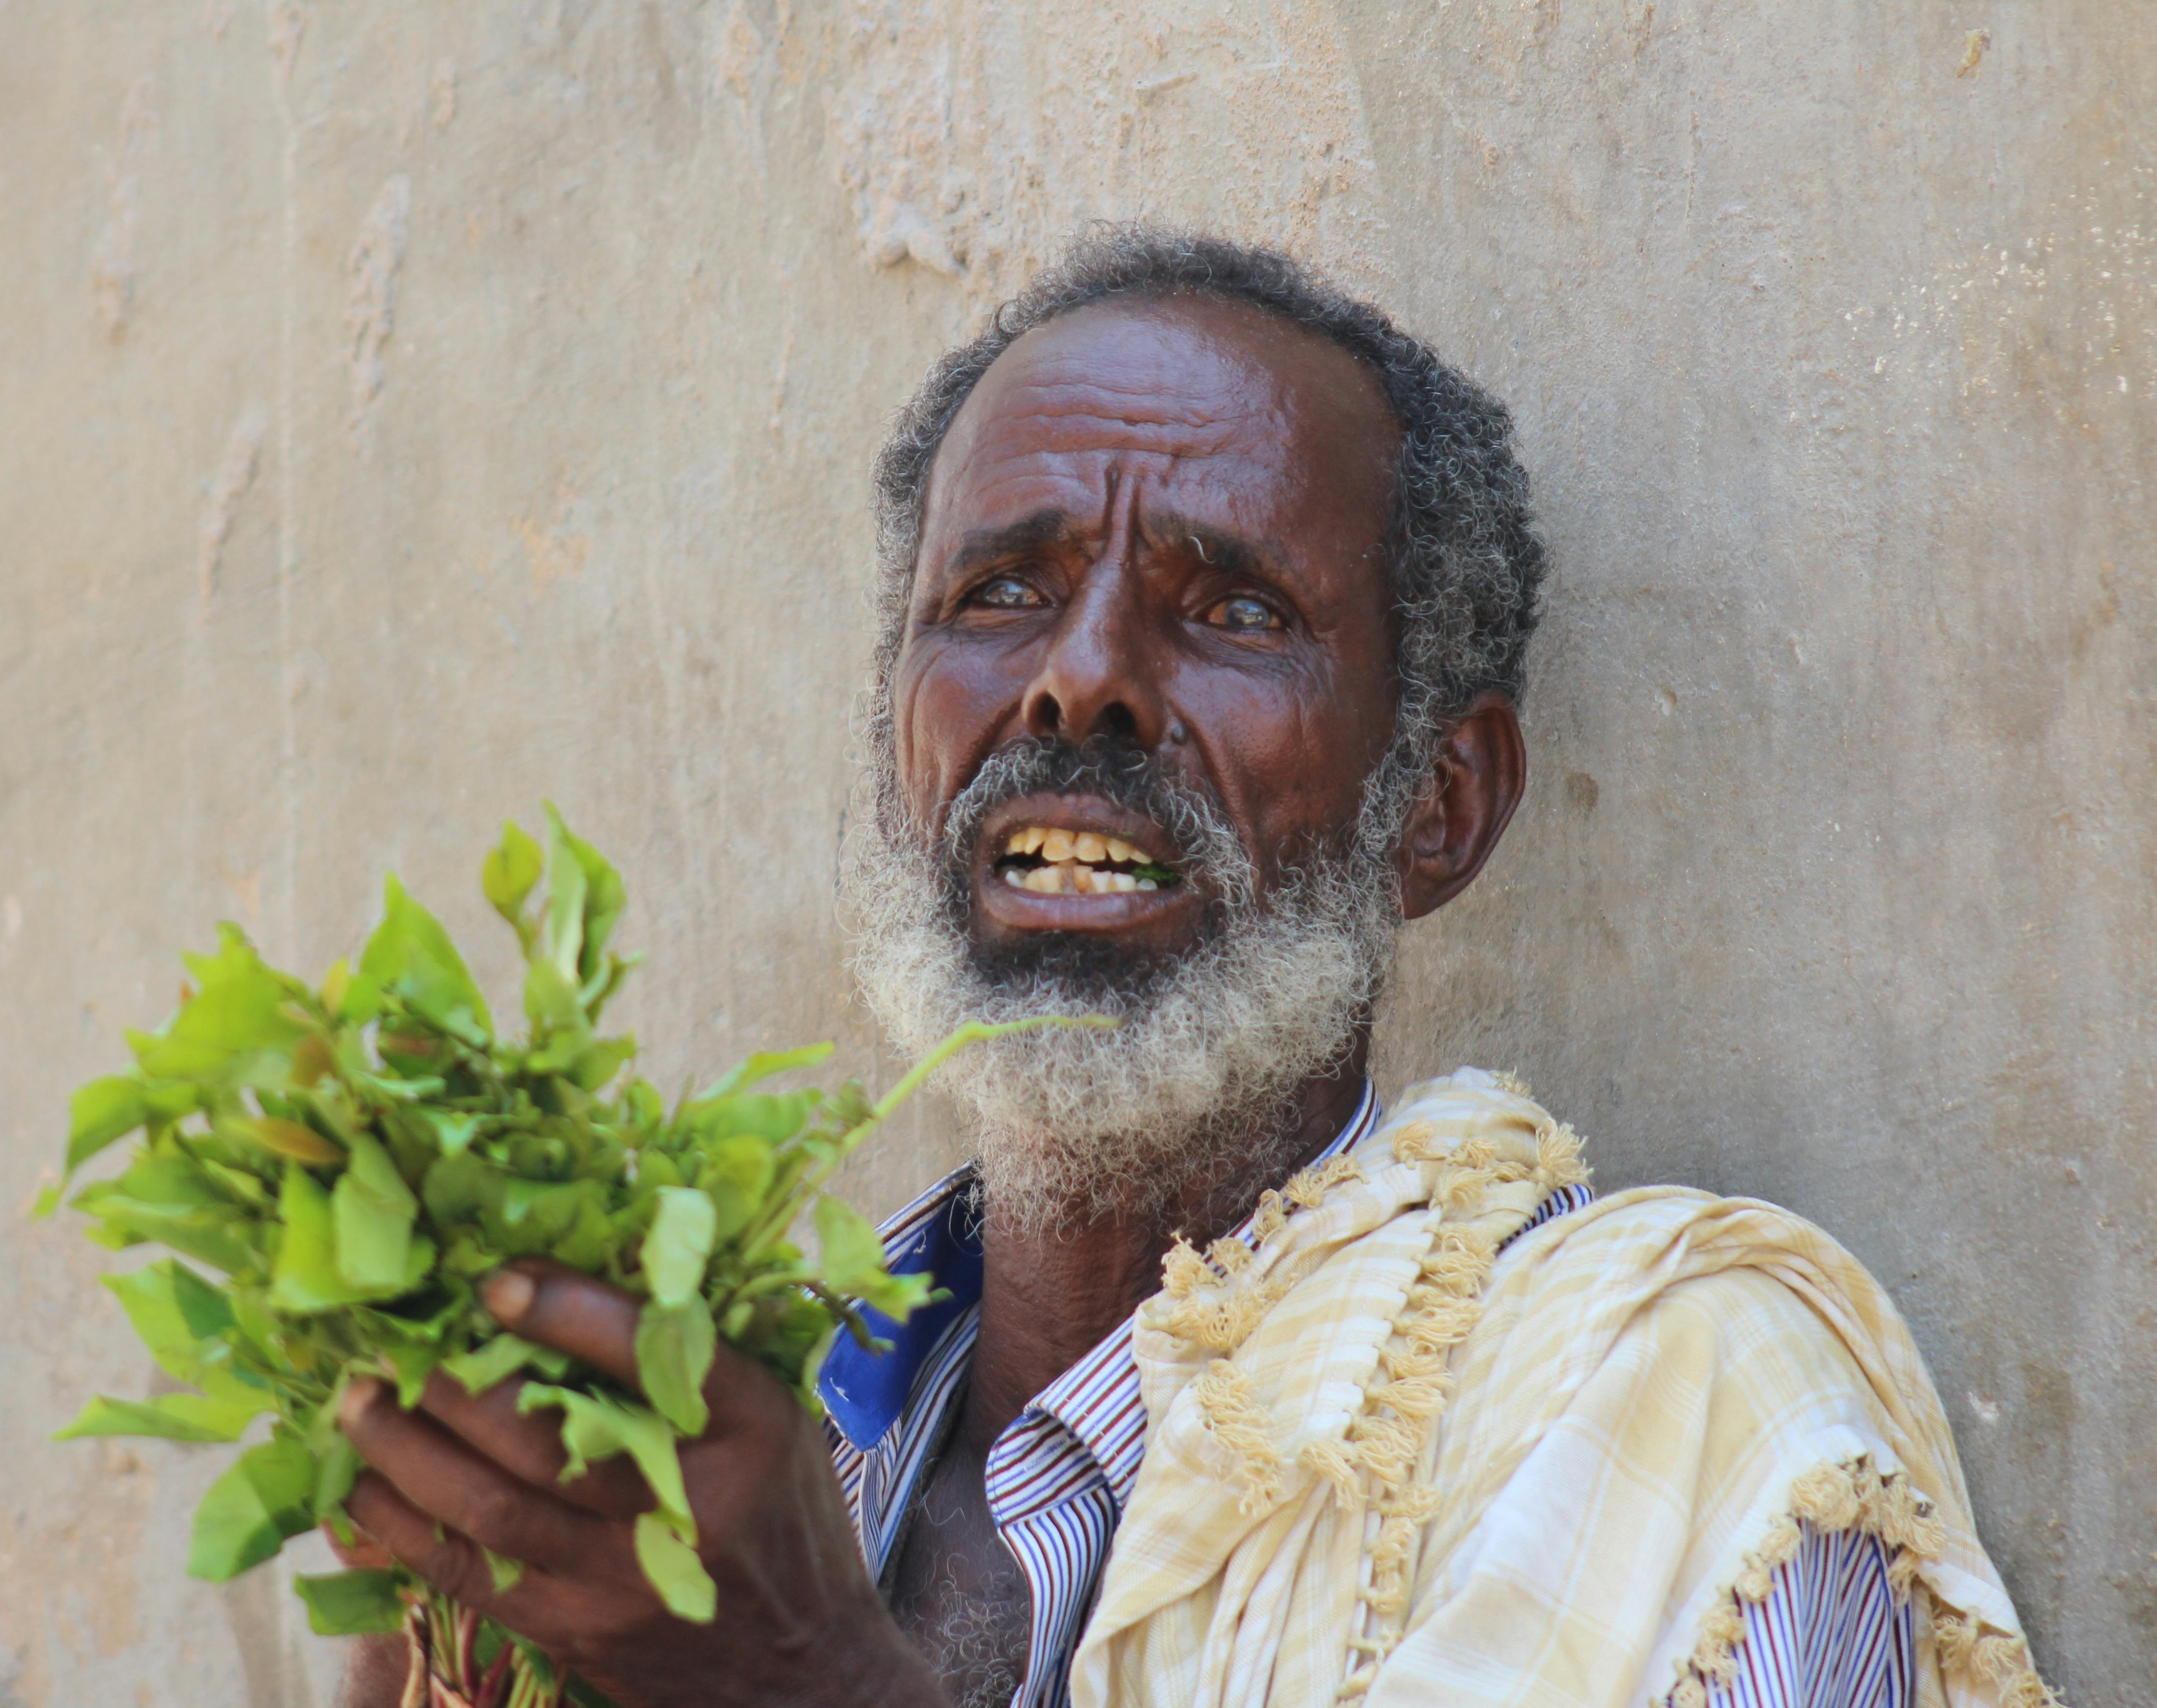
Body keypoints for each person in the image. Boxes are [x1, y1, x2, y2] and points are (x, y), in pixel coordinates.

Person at [329, 229, 2055, 1708]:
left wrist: (799, 1676)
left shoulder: (1677, 1411)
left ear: (1438, 806)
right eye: (999, 593)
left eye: (1230, 609)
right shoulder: (715, 1442)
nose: (1080, 684)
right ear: (891, 748)